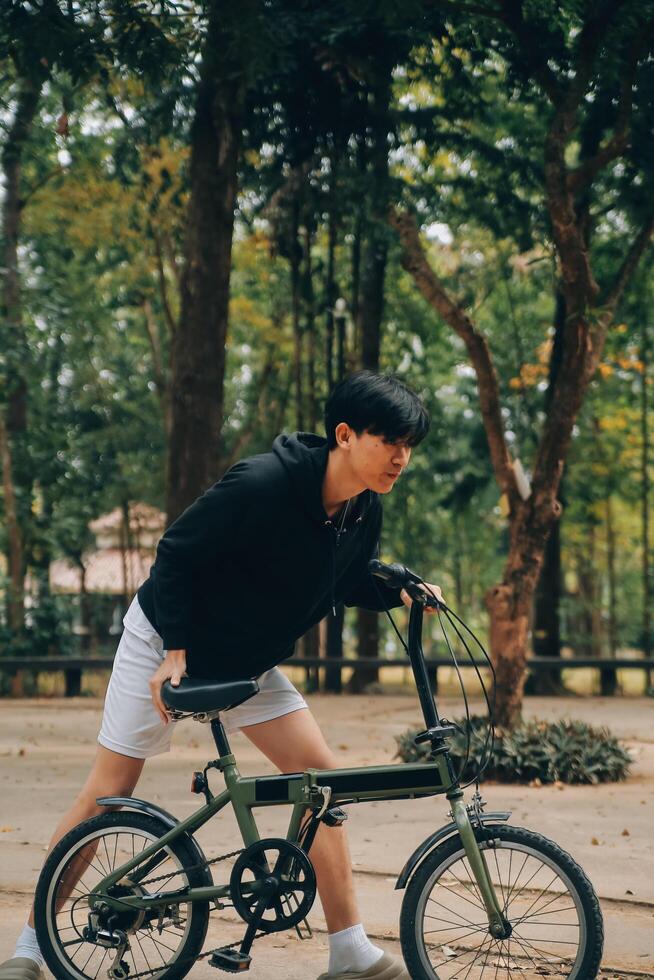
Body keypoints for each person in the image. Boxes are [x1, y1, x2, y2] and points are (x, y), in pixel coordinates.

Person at [1, 370, 442, 980]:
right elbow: (177, 552)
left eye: (409, 445)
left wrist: (402, 592)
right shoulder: (262, 484)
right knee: (110, 791)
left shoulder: (362, 510)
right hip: (164, 640)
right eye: (389, 441)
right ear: (344, 435)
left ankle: (349, 951)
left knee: (322, 782)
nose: (402, 457)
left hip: (245, 663)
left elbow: (344, 577)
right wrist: (175, 650)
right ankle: (30, 949)